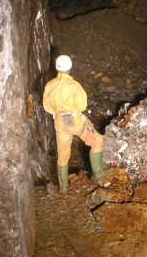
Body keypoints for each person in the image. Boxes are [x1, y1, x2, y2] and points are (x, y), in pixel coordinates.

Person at [42, 55, 105, 194]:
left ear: (56, 67)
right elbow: (82, 105)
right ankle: (99, 176)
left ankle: (63, 188)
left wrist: (57, 111)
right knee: (98, 141)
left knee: (63, 154)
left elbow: (46, 106)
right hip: (75, 122)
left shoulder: (50, 85)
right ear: (70, 67)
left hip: (60, 123)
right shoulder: (73, 85)